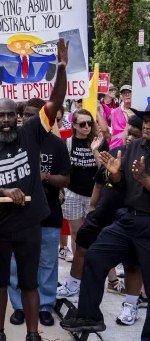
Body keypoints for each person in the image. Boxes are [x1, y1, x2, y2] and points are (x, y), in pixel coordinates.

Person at [0, 38, 69, 341]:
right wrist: (4, 190)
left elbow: (55, 100)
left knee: (29, 283)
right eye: (2, 115)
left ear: (19, 116)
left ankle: (33, 334)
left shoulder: (31, 133)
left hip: (29, 224)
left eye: (12, 114)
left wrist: (61, 68)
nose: (8, 119)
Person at [60, 104, 150, 337]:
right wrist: (116, 174)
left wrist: (144, 178)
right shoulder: (133, 147)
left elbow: (142, 181)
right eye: (146, 119)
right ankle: (89, 317)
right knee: (95, 255)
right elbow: (119, 187)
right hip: (127, 219)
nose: (147, 124)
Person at [7, 98, 71, 328]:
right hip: (17, 215)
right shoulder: (11, 142)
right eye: (27, 114)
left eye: (37, 114)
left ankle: (45, 306)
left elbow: (66, 178)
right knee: (15, 263)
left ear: (47, 117)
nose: (31, 119)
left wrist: (45, 177)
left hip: (48, 214)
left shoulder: (56, 144)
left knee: (47, 263)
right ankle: (19, 306)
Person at [63, 109, 105, 265]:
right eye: (82, 124)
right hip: (73, 193)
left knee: (97, 233)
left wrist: (95, 150)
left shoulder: (99, 141)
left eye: (89, 123)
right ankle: (78, 267)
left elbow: (103, 169)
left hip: (95, 194)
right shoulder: (67, 143)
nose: (86, 126)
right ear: (74, 125)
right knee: (76, 233)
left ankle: (95, 265)